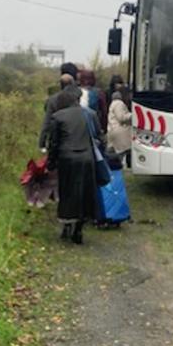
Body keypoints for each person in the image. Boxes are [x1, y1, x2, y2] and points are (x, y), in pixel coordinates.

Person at [46, 90, 98, 244]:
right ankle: (79, 228)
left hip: (67, 159)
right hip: (87, 158)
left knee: (67, 192)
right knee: (84, 193)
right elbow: (98, 137)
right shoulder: (90, 115)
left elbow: (54, 143)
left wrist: (51, 162)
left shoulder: (57, 117)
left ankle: (67, 225)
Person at [39, 74, 76, 151]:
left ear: (61, 85)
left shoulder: (52, 100)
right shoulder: (77, 98)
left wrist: (42, 143)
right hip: (74, 137)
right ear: (72, 83)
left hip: (56, 138)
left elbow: (47, 122)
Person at [107, 91, 132, 168]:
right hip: (120, 132)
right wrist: (132, 115)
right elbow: (121, 117)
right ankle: (123, 167)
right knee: (122, 153)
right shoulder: (119, 103)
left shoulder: (112, 104)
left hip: (113, 130)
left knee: (116, 153)